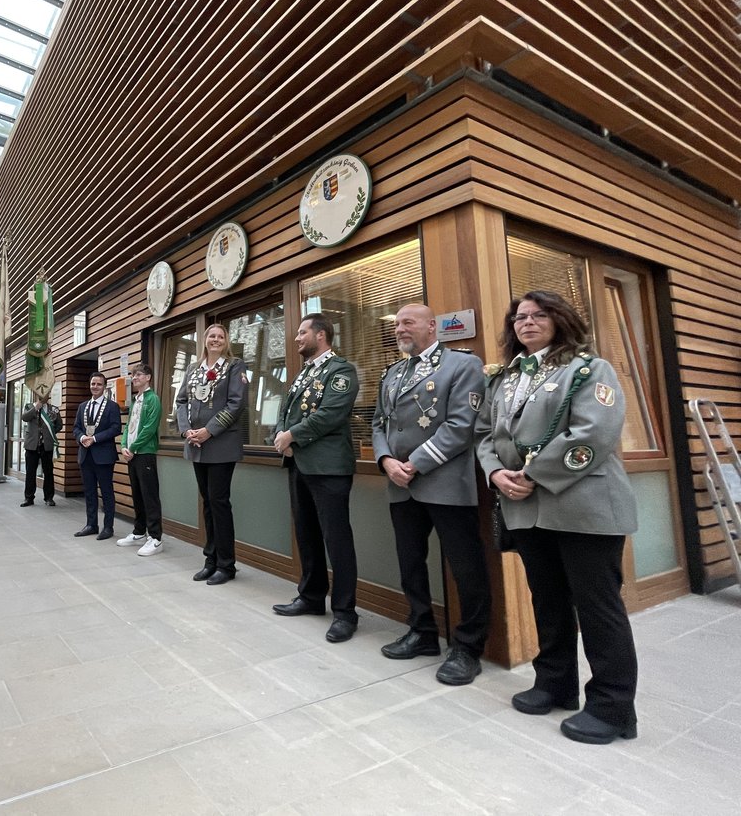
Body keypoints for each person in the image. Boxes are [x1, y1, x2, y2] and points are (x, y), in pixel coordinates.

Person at [476, 290, 640, 745]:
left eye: (538, 315)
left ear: (560, 319)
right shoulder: (504, 378)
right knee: (547, 601)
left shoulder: (588, 369)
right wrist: (496, 474)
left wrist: (532, 474)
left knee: (598, 608)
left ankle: (612, 708)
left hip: (583, 506)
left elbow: (594, 433)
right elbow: (485, 434)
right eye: (519, 317)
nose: (526, 322)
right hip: (525, 508)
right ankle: (554, 683)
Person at [372, 304, 491, 686]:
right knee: (410, 563)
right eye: (397, 324)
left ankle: (468, 648)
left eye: (408, 322)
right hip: (400, 484)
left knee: (466, 567)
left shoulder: (462, 365)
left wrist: (415, 464)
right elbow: (378, 423)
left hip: (445, 483)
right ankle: (422, 631)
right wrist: (386, 460)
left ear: (431, 326)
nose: (400, 329)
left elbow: (461, 426)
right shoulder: (393, 372)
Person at [271, 314, 361, 643]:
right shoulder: (304, 373)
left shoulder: (341, 370)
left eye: (302, 332)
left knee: (336, 540)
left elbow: (331, 414)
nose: (296, 338)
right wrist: (281, 437)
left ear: (320, 335)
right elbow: (285, 411)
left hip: (328, 468)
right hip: (299, 464)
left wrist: (292, 435)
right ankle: (311, 597)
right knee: (306, 534)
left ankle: (345, 613)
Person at [176, 323, 247, 585]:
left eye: (220, 336)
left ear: (226, 341)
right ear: (204, 340)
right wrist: (186, 430)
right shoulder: (193, 368)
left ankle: (226, 565)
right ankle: (211, 560)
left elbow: (236, 404)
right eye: (211, 336)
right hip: (197, 444)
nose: (216, 340)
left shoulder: (235, 366)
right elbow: (181, 401)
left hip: (221, 445)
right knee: (207, 503)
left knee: (219, 502)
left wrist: (209, 430)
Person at [118, 364, 164, 556]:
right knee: (137, 494)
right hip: (132, 454)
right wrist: (124, 445)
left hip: (145, 453)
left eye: (138, 375)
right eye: (133, 375)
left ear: (148, 377)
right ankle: (139, 532)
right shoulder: (135, 400)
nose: (134, 378)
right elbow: (128, 426)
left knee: (149, 495)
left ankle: (155, 538)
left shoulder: (153, 399)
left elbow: (150, 428)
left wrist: (133, 447)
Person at [73, 372, 121, 539]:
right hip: (85, 455)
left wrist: (94, 438)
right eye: (93, 384)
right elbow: (76, 428)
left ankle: (108, 527)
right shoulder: (82, 406)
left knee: (106, 492)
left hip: (104, 456)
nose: (95, 387)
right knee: (89, 492)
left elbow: (116, 428)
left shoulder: (112, 406)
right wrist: (82, 438)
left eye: (99, 384)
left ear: (104, 387)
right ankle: (91, 525)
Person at [20, 385, 61, 507]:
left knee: (48, 472)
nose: (43, 396)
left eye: (45, 394)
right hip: (32, 445)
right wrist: (36, 407)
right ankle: (28, 498)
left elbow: (59, 425)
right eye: (40, 393)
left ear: (48, 396)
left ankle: (49, 497)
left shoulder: (53, 409)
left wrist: (49, 433)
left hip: (46, 445)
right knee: (30, 472)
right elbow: (24, 417)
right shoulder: (29, 406)